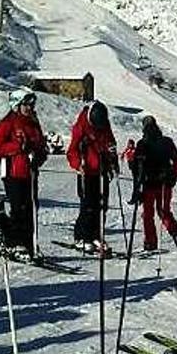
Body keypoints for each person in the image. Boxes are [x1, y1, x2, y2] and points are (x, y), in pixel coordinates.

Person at [0, 89, 47, 261]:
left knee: (31, 207)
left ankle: (28, 242)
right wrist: (18, 148)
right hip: (13, 172)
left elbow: (40, 144)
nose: (30, 108)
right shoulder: (8, 123)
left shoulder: (33, 123)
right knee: (18, 208)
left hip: (30, 172)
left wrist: (40, 155)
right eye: (26, 104)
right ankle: (14, 242)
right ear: (17, 105)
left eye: (32, 104)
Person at [66, 100, 117, 253]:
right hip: (86, 171)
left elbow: (110, 141)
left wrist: (112, 156)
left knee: (102, 206)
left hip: (102, 170)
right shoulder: (81, 126)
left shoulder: (104, 124)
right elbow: (72, 151)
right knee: (88, 206)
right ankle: (82, 237)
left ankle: (97, 235)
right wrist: (77, 164)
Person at [130, 115, 177, 252]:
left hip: (149, 184)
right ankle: (174, 232)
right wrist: (172, 174)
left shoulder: (142, 143)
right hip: (165, 183)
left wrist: (137, 188)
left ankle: (150, 242)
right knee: (164, 211)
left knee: (148, 214)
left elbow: (137, 168)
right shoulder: (167, 141)